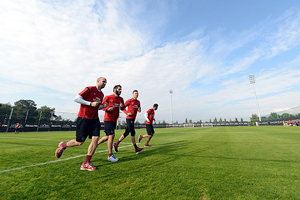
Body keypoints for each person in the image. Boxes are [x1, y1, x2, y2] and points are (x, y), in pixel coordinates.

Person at [55, 77, 107, 171]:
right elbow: (76, 98)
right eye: (103, 81)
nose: (105, 83)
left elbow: (96, 107)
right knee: (79, 142)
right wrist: (90, 103)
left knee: (95, 139)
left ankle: (86, 162)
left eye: (106, 82)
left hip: (95, 119)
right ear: (98, 81)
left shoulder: (101, 94)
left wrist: (103, 106)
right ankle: (64, 145)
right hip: (84, 118)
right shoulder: (89, 89)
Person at [97, 85, 124, 162]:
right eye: (119, 89)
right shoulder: (108, 97)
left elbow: (122, 108)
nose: (120, 91)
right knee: (111, 136)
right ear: (114, 89)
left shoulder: (121, 99)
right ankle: (110, 155)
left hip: (114, 120)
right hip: (108, 119)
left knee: (108, 136)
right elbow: (101, 106)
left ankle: (96, 144)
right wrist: (107, 109)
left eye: (121, 89)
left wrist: (122, 106)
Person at [114, 90, 143, 154]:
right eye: (135, 93)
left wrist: (139, 109)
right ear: (133, 94)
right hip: (129, 119)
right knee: (133, 132)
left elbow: (139, 108)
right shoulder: (129, 101)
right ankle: (136, 148)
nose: (137, 94)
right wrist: (127, 113)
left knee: (126, 133)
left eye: (137, 93)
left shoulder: (138, 102)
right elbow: (122, 108)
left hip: (133, 119)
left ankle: (116, 144)